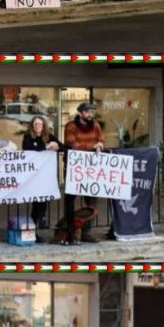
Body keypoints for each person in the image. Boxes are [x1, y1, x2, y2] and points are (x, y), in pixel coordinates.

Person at [62, 102, 106, 245]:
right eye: (87, 112)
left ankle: (86, 232)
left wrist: (100, 145)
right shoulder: (70, 126)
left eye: (91, 112)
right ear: (80, 113)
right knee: (70, 199)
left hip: (91, 168)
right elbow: (71, 143)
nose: (90, 114)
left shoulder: (96, 125)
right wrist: (92, 146)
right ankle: (70, 231)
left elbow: (101, 139)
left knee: (92, 199)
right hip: (74, 168)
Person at [22, 115, 62, 240]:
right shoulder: (28, 136)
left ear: (43, 125)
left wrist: (56, 145)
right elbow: (28, 148)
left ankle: (39, 223)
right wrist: (46, 147)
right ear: (32, 126)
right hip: (33, 175)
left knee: (43, 200)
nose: (37, 126)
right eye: (35, 124)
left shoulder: (48, 136)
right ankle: (37, 225)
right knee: (36, 203)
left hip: (45, 176)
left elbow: (62, 146)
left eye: (39, 124)